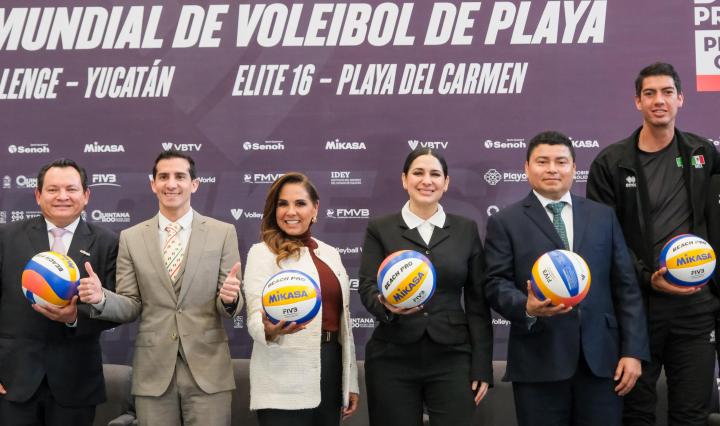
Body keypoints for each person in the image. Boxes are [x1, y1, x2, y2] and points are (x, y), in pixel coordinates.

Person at [484, 131, 649, 426]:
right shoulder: (505, 221)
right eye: (542, 161)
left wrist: (633, 351)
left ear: (574, 168)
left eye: (561, 162)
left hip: (602, 363)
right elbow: (495, 283)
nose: (552, 169)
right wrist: (526, 307)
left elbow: (626, 288)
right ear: (526, 168)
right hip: (539, 363)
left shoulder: (603, 217)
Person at [587, 62, 720, 426]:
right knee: (636, 414)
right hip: (637, 310)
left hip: (696, 308)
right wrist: (647, 278)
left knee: (691, 415)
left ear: (681, 99)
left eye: (666, 92)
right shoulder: (611, 163)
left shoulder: (704, 154)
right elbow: (604, 239)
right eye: (650, 93)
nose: (659, 100)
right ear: (638, 102)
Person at [79, 150, 243, 426]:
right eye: (164, 177)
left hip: (208, 370)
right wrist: (101, 298)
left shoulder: (223, 233)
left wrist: (230, 299)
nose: (171, 184)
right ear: (153, 184)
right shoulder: (131, 238)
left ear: (194, 184)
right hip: (153, 373)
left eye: (180, 176)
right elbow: (131, 304)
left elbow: (230, 305)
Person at [358, 148, 493, 426]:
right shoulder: (380, 228)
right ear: (404, 179)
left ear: (446, 182)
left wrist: (482, 365)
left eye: (435, 174)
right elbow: (367, 286)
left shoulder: (466, 229)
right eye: (418, 173)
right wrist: (385, 305)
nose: (426, 181)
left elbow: (478, 303)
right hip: (392, 355)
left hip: (453, 356)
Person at [0, 159, 119, 425]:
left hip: (76, 383)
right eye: (53, 189)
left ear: (86, 195)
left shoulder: (108, 242)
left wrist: (75, 317)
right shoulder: (6, 238)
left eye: (71, 189)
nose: (62, 196)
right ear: (38, 195)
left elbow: (118, 309)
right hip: (13, 382)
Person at [243, 172, 359, 426]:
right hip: (282, 377)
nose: (290, 211)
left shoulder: (331, 253)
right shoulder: (262, 253)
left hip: (331, 369)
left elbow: (344, 323)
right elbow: (253, 314)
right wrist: (268, 329)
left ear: (315, 208)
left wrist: (350, 382)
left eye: (300, 203)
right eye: (283, 204)